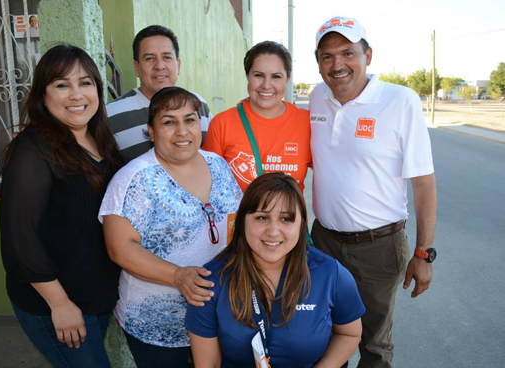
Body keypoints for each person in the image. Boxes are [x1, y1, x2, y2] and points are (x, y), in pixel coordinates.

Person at [309, 16, 438, 368]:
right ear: (318, 63)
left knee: (374, 342)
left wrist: (423, 254)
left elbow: (423, 183)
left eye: (348, 53)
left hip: (378, 248)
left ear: (368, 55)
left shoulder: (401, 101)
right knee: (322, 333)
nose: (337, 65)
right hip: (323, 242)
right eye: (327, 56)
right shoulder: (317, 97)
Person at [99, 86, 242, 368]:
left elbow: (237, 223)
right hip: (158, 327)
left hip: (217, 317)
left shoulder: (219, 165)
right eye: (169, 122)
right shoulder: (135, 179)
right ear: (151, 131)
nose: (182, 131)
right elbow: (120, 249)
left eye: (189, 120)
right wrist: (178, 276)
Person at [0, 44, 124, 368]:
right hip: (54, 302)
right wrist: (60, 304)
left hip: (94, 295)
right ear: (43, 96)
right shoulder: (34, 149)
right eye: (61, 84)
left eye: (85, 83)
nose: (76, 94)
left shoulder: (102, 141)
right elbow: (19, 238)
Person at [186, 173, 365, 368]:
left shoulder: (332, 274)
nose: (273, 231)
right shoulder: (210, 282)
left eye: (286, 219)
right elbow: (208, 364)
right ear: (242, 221)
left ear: (301, 225)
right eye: (262, 217)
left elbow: (349, 332)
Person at [202, 41, 311, 192]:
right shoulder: (222, 124)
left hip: (290, 215)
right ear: (247, 75)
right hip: (239, 216)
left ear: (287, 79)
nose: (266, 85)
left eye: (276, 77)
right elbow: (209, 187)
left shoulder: (306, 122)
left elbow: (332, 172)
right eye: (259, 75)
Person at [107, 25, 212, 162]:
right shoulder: (111, 114)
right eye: (150, 58)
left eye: (167, 57)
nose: (160, 65)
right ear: (137, 67)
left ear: (178, 65)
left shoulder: (198, 104)